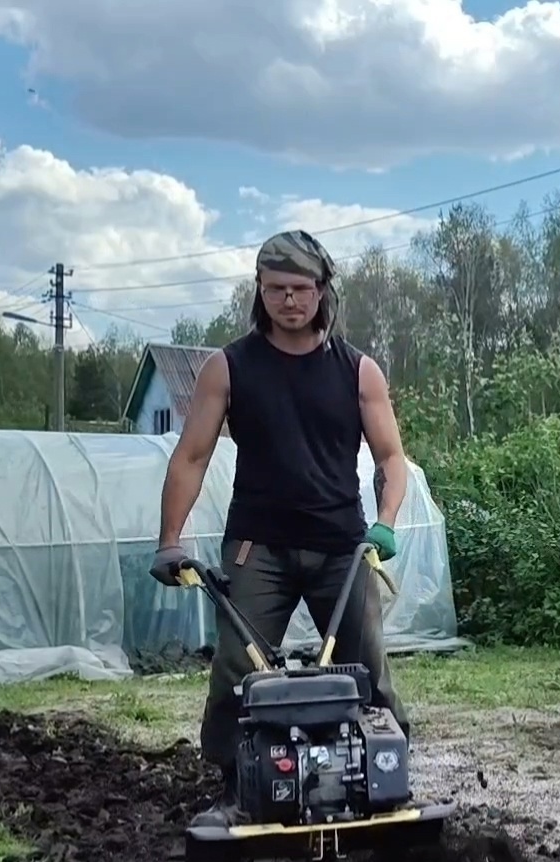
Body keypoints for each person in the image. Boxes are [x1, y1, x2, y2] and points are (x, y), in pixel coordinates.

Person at [148, 229, 411, 817]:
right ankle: (234, 786)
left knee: (368, 668)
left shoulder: (358, 371)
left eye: (300, 288)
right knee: (236, 669)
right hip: (257, 547)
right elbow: (191, 456)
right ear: (259, 291)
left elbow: (391, 458)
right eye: (275, 289)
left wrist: (386, 522)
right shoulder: (228, 368)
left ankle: (386, 781)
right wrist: (170, 540)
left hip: (342, 547)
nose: (288, 300)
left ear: (322, 291)